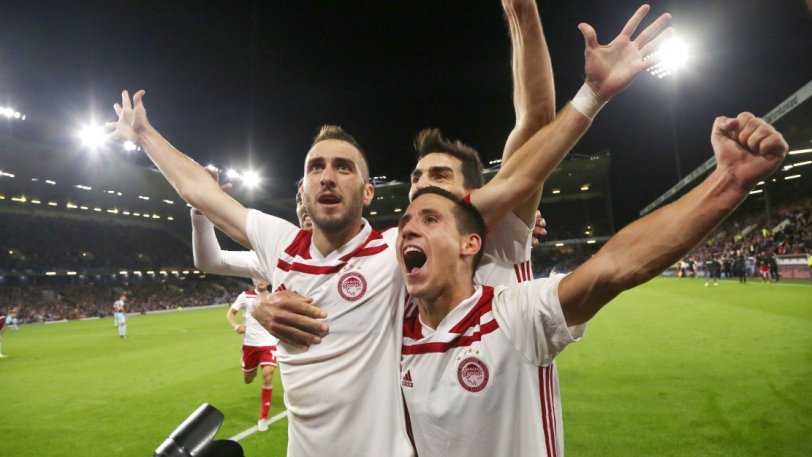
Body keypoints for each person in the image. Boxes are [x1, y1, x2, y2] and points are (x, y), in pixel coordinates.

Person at [107, 5, 672, 455]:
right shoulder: (279, 243)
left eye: (343, 167)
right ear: (303, 188)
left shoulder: (394, 253)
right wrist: (145, 136)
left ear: (368, 192)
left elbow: (522, 170)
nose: (328, 176)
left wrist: (592, 94)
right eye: (315, 168)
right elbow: (201, 193)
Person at [397, 110, 787, 456]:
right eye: (405, 223)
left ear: (470, 242)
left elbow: (615, 265)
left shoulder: (512, 313)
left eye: (431, 220)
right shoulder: (393, 332)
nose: (411, 230)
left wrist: (728, 182)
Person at [227, 280, 279, 432]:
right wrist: (236, 326)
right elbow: (230, 314)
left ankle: (263, 418)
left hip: (269, 342)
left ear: (267, 280)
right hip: (250, 344)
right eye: (257, 278)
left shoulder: (274, 297)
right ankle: (249, 369)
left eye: (263, 278)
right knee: (248, 379)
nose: (261, 281)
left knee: (268, 374)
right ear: (253, 280)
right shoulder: (246, 296)